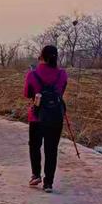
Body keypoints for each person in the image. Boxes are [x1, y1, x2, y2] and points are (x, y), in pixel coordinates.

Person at [23, 45, 68, 192]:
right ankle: (48, 183)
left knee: (35, 145)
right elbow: (61, 92)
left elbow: (27, 94)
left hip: (37, 116)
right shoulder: (63, 74)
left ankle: (36, 174)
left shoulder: (32, 74)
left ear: (41, 57)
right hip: (55, 117)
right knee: (51, 149)